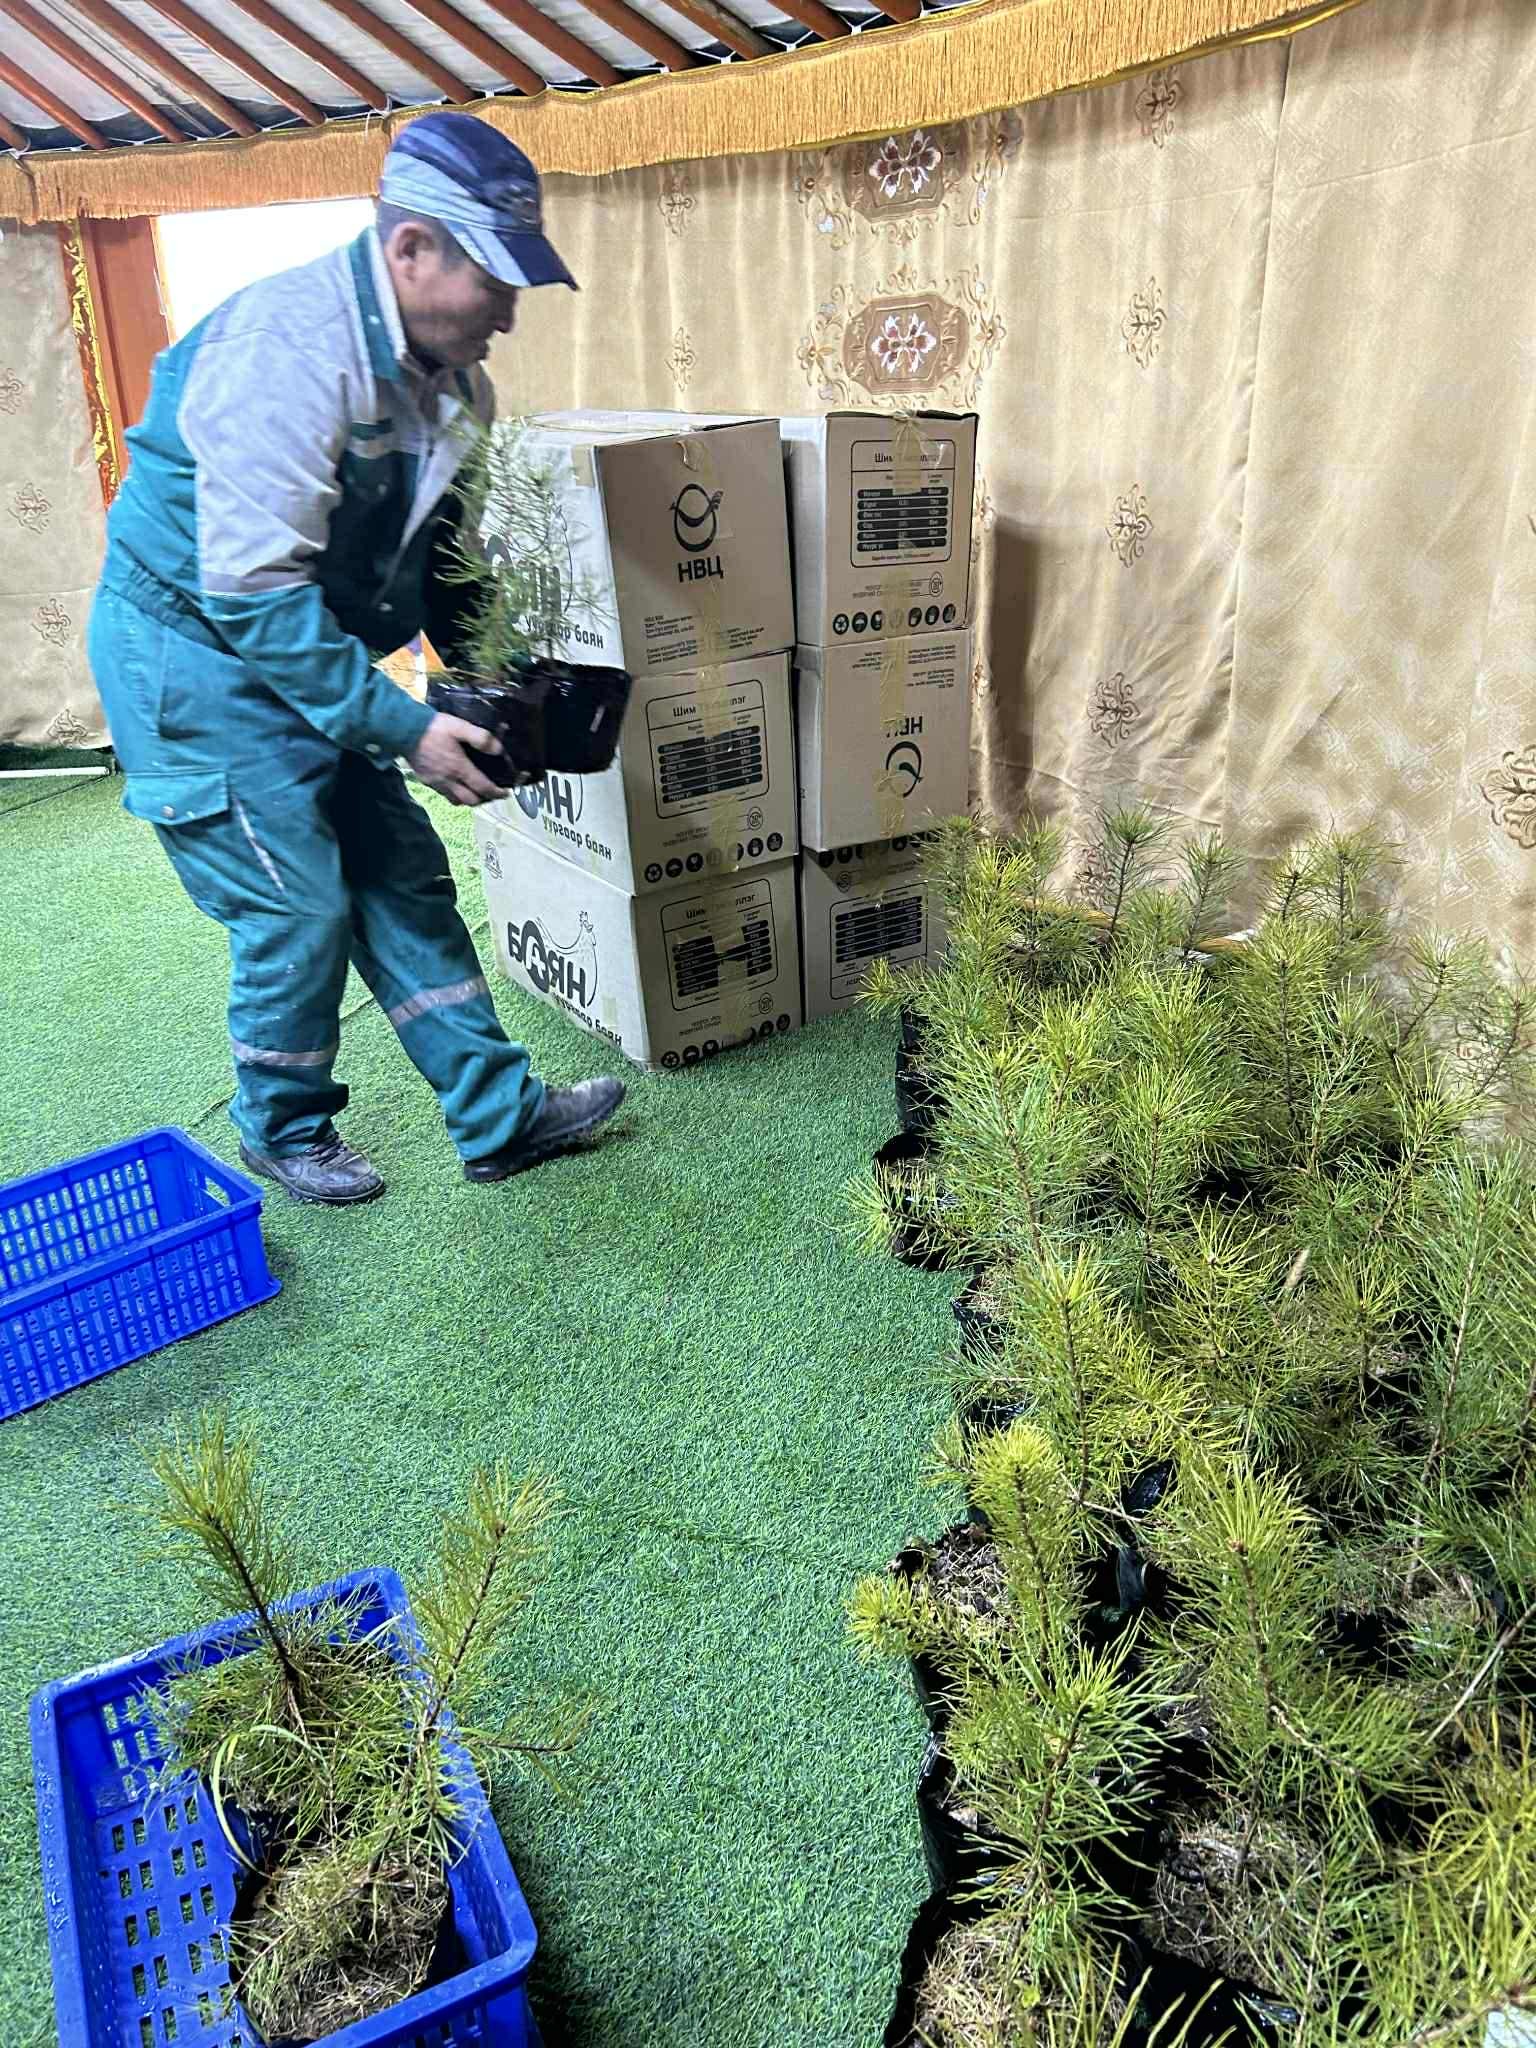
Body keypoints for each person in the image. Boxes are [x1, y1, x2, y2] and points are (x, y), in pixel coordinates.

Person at [87, 113, 625, 1205]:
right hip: (196, 653)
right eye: (495, 280)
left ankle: (499, 1117)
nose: (510, 312)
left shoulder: (455, 387)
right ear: (411, 249)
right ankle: (281, 1126)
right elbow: (253, 596)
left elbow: (441, 568)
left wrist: (498, 680)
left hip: (318, 644)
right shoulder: (287, 355)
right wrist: (406, 726)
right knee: (296, 902)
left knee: (401, 875)